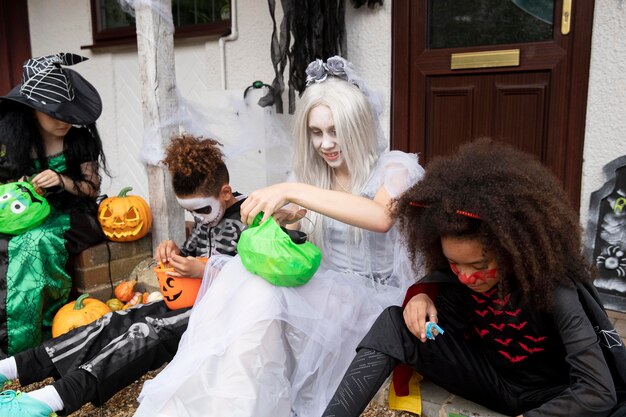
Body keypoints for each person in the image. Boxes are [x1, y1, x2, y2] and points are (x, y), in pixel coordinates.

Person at [133, 56, 425, 417]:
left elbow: (381, 217)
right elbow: (297, 248)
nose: (326, 144)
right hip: (329, 288)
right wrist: (285, 222)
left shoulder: (395, 167)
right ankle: (238, 402)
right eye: (316, 133)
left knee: (260, 292)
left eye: (335, 131)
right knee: (251, 283)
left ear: (358, 126)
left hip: (376, 302)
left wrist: (292, 190)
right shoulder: (312, 176)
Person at [321, 139, 626, 417]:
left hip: (549, 397)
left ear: (512, 250)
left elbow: (598, 391)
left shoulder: (554, 288)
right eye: (454, 262)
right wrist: (422, 294)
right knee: (393, 322)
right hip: (492, 381)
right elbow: (439, 286)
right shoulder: (454, 279)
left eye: (479, 264)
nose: (466, 276)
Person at [0, 135, 248, 417]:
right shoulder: (209, 216)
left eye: (201, 210)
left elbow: (261, 273)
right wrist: (175, 252)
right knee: (111, 319)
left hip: (224, 309)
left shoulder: (251, 216)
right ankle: (11, 367)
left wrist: (204, 269)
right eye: (189, 211)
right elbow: (194, 256)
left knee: (145, 332)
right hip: (191, 299)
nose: (199, 218)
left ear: (226, 193)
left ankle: (47, 400)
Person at [0, 53, 108, 355]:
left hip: (73, 216)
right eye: (54, 114)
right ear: (33, 110)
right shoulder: (13, 138)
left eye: (68, 114)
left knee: (36, 242)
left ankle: (36, 336)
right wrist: (20, 188)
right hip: (23, 216)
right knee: (12, 242)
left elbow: (90, 189)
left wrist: (62, 182)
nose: (64, 122)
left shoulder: (80, 139)